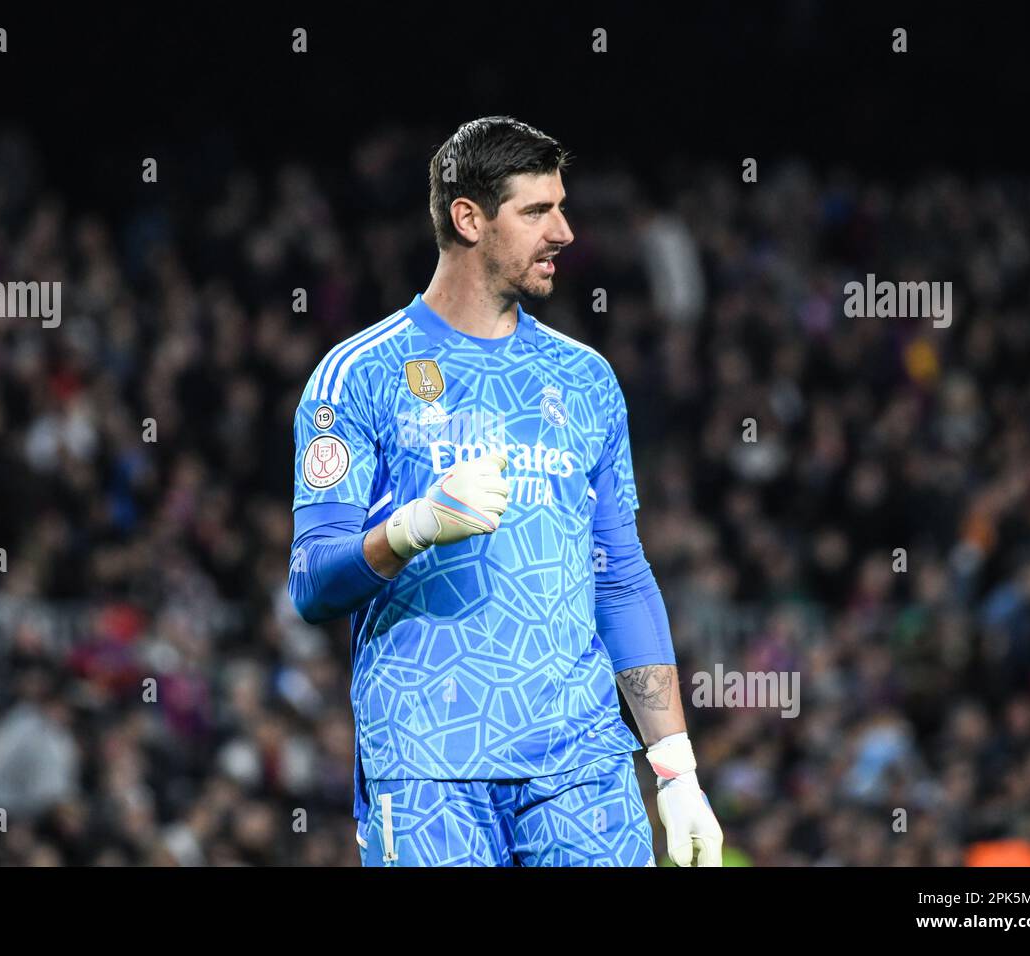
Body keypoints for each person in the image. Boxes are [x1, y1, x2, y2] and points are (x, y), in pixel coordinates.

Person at [288, 116, 722, 866]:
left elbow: (618, 576)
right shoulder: (357, 376)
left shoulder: (586, 380)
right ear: (468, 218)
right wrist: (410, 529)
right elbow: (311, 583)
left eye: (562, 206)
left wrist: (676, 764)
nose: (565, 231)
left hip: (582, 769)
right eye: (537, 212)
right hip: (427, 767)